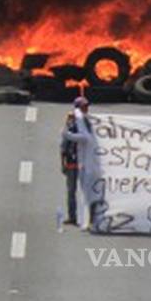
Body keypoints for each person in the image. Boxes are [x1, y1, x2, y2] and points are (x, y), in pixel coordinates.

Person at [60, 96, 100, 230]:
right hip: (73, 163)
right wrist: (63, 162)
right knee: (72, 191)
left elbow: (89, 139)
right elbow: (64, 144)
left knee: (88, 191)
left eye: (86, 106)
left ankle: (91, 219)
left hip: (86, 163)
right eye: (83, 106)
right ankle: (73, 216)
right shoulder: (71, 122)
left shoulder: (89, 122)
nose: (86, 109)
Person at [60, 110, 83, 225]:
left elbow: (63, 150)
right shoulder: (81, 131)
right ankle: (73, 216)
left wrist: (62, 164)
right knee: (74, 192)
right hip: (76, 165)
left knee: (72, 192)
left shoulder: (69, 132)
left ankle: (73, 216)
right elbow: (63, 150)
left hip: (77, 165)